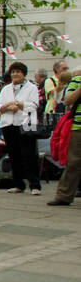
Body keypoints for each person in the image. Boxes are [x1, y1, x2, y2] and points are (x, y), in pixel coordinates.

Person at [0, 60, 42, 194]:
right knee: (14, 155)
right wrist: (8, 106)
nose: (15, 74)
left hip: (26, 123)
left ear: (24, 74)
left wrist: (18, 104)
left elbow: (33, 105)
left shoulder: (32, 88)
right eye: (13, 72)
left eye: (18, 72)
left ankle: (35, 185)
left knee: (29, 154)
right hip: (8, 124)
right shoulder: (5, 88)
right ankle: (18, 184)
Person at [48, 68, 81, 206]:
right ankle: (64, 195)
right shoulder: (77, 80)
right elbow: (67, 100)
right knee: (73, 162)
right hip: (78, 128)